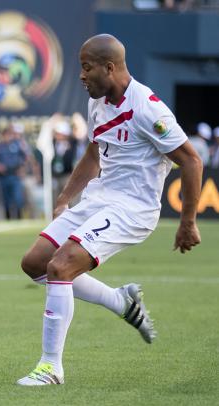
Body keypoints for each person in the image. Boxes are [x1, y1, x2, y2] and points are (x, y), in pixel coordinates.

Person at [16, 34, 202, 386]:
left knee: (60, 266)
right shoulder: (98, 101)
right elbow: (93, 152)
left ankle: (50, 367)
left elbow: (192, 161)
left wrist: (187, 222)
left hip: (133, 208)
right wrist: (65, 198)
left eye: (87, 68)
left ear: (110, 67)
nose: (82, 76)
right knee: (35, 263)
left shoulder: (148, 108)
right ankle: (120, 301)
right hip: (100, 199)